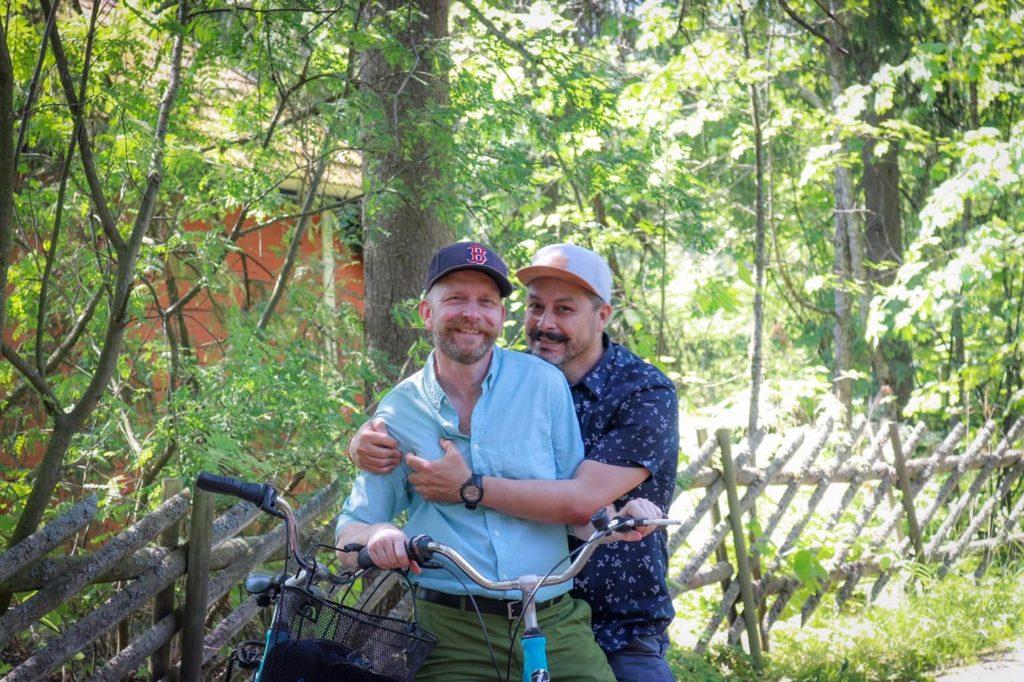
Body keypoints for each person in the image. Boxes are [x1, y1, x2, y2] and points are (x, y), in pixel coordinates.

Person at [350, 243, 681, 681]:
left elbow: (579, 504)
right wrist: (378, 524)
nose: (546, 323)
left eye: (564, 309)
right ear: (426, 313)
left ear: (602, 317)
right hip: (456, 624)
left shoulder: (638, 393)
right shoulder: (401, 410)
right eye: (536, 307)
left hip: (611, 617)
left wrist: (470, 487)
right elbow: (355, 527)